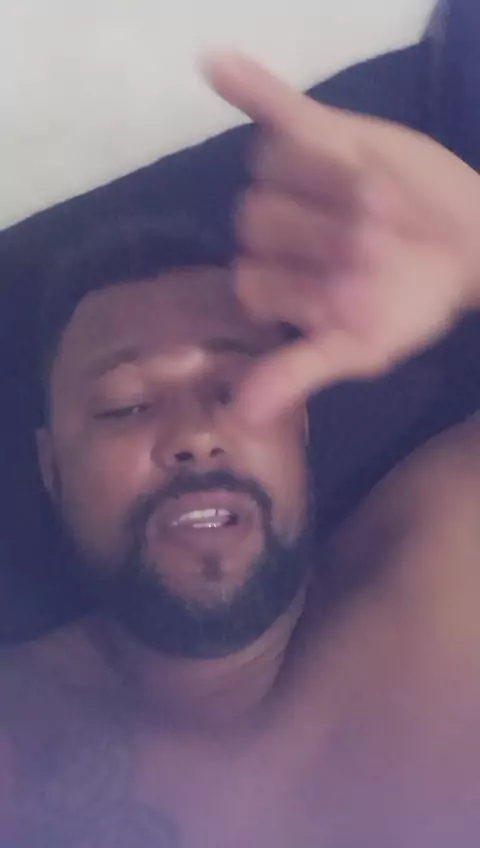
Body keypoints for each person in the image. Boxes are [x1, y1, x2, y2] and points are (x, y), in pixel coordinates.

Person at [2, 54, 480, 847]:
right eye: (126, 406)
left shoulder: (447, 565)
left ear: (300, 426)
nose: (195, 436)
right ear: (51, 468)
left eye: (232, 389)